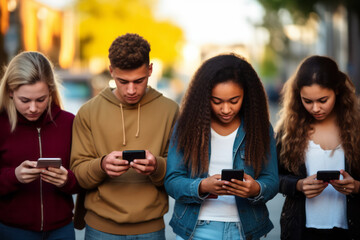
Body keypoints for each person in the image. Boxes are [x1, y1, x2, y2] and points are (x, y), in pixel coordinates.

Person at [70, 33, 179, 239]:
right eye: (122, 81)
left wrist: (156, 166)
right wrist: (101, 165)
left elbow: (180, 173)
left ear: (150, 70)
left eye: (139, 80)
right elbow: (78, 174)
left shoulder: (171, 110)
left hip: (151, 229)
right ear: (111, 71)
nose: (131, 90)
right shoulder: (88, 112)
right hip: (100, 229)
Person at [164, 53, 279, 240]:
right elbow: (172, 180)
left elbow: (272, 180)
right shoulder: (187, 126)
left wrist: (255, 189)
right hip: (197, 230)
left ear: (247, 95)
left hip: (245, 230)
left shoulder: (260, 127)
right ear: (204, 97)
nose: (226, 109)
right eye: (217, 101)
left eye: (234, 101)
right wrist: (202, 186)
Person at [276, 55, 360, 240]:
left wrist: (356, 186)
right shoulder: (288, 129)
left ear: (337, 90)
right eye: (307, 101)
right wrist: (298, 185)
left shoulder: (357, 127)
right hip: (300, 231)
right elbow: (272, 177)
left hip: (350, 231)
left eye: (323, 100)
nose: (315, 108)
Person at [0, 51, 80, 239]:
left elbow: (85, 178)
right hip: (13, 231)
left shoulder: (69, 123)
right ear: (11, 92)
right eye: (25, 100)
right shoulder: (1, 125)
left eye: (41, 99)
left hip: (62, 230)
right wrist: (14, 176)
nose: (33, 108)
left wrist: (67, 180)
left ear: (51, 92)